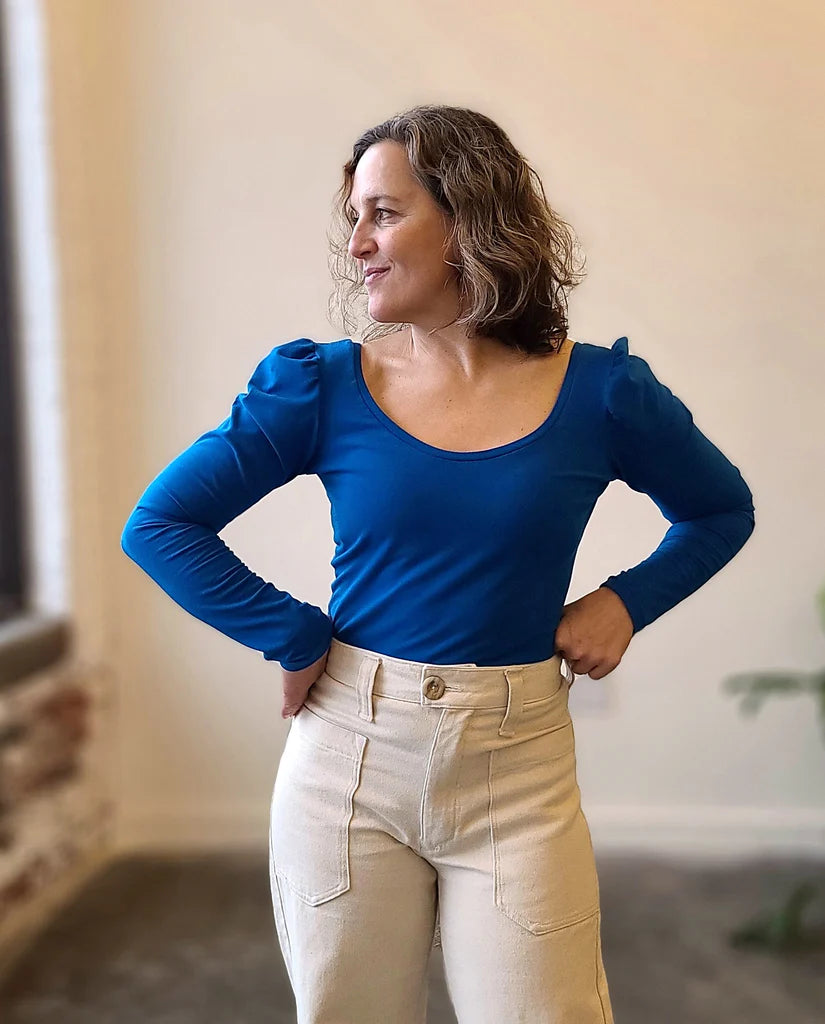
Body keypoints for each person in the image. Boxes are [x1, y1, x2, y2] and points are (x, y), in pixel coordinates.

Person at [121, 104, 756, 1023]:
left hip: (518, 770)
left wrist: (627, 600)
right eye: (355, 219)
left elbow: (719, 509)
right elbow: (161, 523)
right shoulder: (318, 387)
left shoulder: (604, 395)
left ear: (468, 220)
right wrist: (292, 634)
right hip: (345, 764)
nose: (357, 245)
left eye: (383, 214)